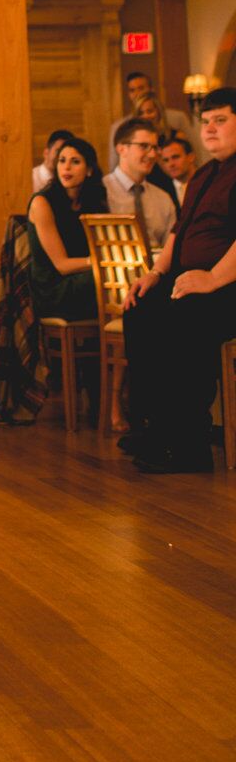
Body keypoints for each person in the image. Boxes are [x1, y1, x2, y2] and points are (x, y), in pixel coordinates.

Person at [121, 88, 236, 473]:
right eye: (205, 122)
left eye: (220, 120)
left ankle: (189, 443)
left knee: (184, 316)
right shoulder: (204, 174)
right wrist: (155, 274)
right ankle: (155, 426)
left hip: (228, 286)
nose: (209, 130)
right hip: (192, 280)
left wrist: (212, 278)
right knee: (140, 310)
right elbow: (178, 231)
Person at [26, 133, 105, 323]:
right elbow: (61, 265)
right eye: (62, 161)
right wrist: (101, 262)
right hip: (53, 289)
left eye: (75, 161)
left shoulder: (93, 201)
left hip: (83, 277)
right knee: (109, 279)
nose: (66, 167)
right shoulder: (42, 202)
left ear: (89, 170)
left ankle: (119, 343)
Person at [104, 118, 176, 256]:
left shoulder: (163, 198)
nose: (152, 154)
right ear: (121, 149)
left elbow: (170, 250)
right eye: (144, 146)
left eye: (155, 147)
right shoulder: (102, 191)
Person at [109, 71, 190, 162]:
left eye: (141, 88)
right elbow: (115, 162)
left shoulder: (177, 118)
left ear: (151, 89)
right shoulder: (119, 126)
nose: (137, 94)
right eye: (132, 90)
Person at [160, 132, 198, 210]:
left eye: (175, 157)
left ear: (191, 157)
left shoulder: (209, 181)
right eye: (166, 160)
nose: (171, 164)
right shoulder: (162, 193)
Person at [32, 130, 70, 194]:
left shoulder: (69, 180)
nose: (61, 157)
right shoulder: (31, 179)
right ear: (46, 153)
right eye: (58, 151)